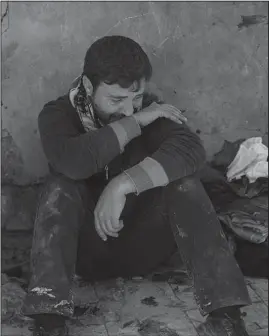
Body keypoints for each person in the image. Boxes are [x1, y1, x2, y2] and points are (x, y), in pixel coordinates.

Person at [22, 35, 251, 336]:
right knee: (60, 185)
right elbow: (73, 162)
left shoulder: (151, 111)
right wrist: (136, 123)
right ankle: (49, 322)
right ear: (89, 88)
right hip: (85, 253)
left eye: (136, 98)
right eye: (117, 100)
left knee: (184, 183)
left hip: (142, 246)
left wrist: (122, 185)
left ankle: (226, 318)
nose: (129, 109)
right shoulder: (57, 115)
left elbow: (190, 150)